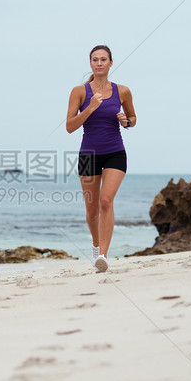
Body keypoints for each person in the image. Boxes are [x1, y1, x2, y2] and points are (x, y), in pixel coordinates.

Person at [65, 45, 136, 272]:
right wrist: (90, 108)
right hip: (88, 154)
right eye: (95, 60)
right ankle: (96, 246)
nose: (99, 63)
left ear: (110, 63)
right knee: (91, 211)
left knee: (106, 201)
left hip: (115, 152)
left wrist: (126, 121)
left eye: (103, 59)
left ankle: (103, 255)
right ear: (91, 64)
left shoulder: (122, 91)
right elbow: (69, 126)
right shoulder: (80, 92)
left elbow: (133, 119)